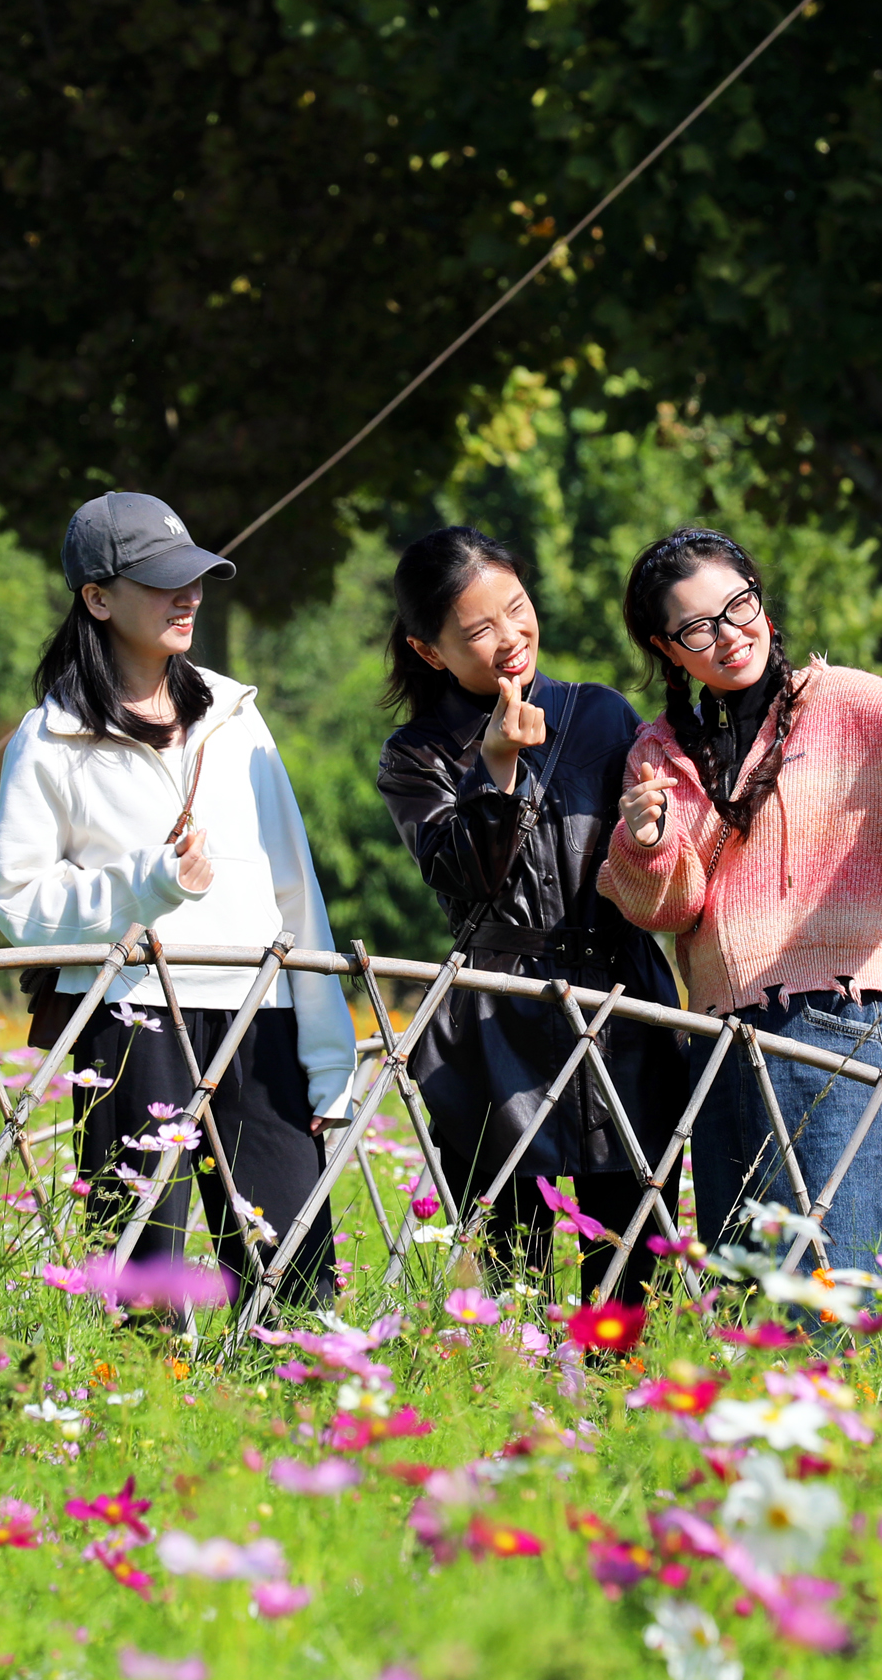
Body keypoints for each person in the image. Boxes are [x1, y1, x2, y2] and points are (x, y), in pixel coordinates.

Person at [598, 527, 882, 1277]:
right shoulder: (659, 754)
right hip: (721, 1038)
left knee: (851, 1279)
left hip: (842, 1019)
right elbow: (670, 908)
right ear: (666, 647)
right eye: (697, 628)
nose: (729, 636)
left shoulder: (848, 704)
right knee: (752, 1290)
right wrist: (643, 842)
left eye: (739, 606)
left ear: (762, 604)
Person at [0, 491, 355, 1307]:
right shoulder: (50, 737)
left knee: (297, 1285)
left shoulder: (235, 718)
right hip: (130, 1022)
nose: (188, 595)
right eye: (160, 581)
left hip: (262, 1013)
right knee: (145, 1291)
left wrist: (330, 1054)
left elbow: (296, 890)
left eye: (195, 576)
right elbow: (13, 897)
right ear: (97, 597)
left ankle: (298, 1393)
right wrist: (145, 885)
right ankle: (152, 1394)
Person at [375, 528, 688, 1302]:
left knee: (628, 1268)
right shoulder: (417, 754)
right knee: (511, 1275)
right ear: (430, 650)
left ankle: (620, 1379)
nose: (511, 637)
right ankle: (520, 1382)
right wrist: (496, 766)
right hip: (495, 1023)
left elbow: (653, 856)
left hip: (622, 1007)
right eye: (479, 630)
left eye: (517, 608)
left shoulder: (602, 715)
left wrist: (649, 828)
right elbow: (466, 879)